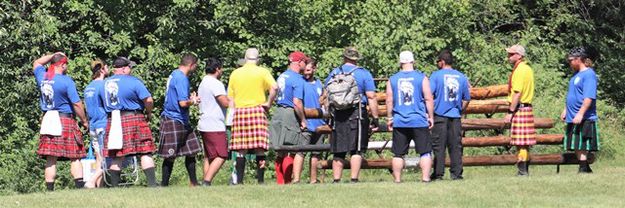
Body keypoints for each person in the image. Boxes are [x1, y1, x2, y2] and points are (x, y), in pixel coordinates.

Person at [34, 52, 89, 191]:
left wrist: (53, 55)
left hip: (48, 119)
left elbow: (37, 63)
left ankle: (50, 190)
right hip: (64, 119)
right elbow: (77, 104)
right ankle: (79, 187)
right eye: (66, 65)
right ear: (63, 65)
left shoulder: (43, 77)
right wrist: (84, 121)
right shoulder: (66, 81)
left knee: (51, 157)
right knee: (75, 156)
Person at [324, 47, 380, 183]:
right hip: (357, 113)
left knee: (338, 150)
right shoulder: (363, 73)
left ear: (344, 58)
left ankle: (336, 179)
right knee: (356, 149)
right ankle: (354, 179)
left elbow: (325, 95)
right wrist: (375, 118)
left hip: (338, 114)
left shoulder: (334, 72)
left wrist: (328, 115)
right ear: (356, 59)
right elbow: (371, 96)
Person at [100, 57, 158, 187]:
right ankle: (152, 185)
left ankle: (114, 186)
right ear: (124, 68)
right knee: (145, 151)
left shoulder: (104, 83)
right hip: (133, 117)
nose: (131, 69)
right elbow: (148, 100)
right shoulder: (134, 81)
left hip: (113, 119)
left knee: (117, 155)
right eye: (130, 67)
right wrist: (149, 112)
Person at [227, 48, 278, 184]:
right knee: (260, 148)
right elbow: (275, 87)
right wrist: (269, 103)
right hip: (257, 110)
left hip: (240, 112)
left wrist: (231, 117)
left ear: (245, 58)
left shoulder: (235, 73)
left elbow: (230, 98)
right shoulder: (263, 72)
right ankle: (260, 181)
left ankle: (240, 181)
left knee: (241, 148)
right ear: (257, 58)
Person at [386, 51, 434, 183]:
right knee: (425, 152)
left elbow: (389, 100)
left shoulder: (393, 79)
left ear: (400, 62)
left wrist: (390, 118)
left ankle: (397, 179)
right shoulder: (422, 78)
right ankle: (425, 178)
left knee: (398, 153)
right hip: (419, 120)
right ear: (413, 61)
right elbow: (428, 98)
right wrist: (431, 117)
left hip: (400, 120)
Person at [158, 54, 203, 186]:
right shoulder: (182, 78)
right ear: (192, 65)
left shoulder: (174, 74)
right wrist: (193, 101)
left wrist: (188, 98)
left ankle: (194, 183)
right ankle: (164, 185)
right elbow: (183, 103)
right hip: (174, 118)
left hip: (180, 119)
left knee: (191, 151)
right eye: (196, 66)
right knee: (170, 154)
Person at [429, 50, 471, 180]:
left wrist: (429, 113)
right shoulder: (461, 77)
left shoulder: (436, 76)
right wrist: (460, 110)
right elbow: (467, 98)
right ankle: (457, 173)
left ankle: (438, 174)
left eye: (438, 62)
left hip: (440, 115)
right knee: (456, 146)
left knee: (439, 146)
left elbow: (429, 96)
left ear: (442, 62)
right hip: (455, 116)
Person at [269, 51, 309, 184]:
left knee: (280, 149)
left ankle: (280, 182)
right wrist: (303, 119)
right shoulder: (297, 79)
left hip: (278, 112)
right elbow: (297, 102)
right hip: (289, 113)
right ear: (299, 62)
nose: (306, 64)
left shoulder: (282, 76)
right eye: (305, 61)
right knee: (291, 148)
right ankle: (286, 182)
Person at [562, 47, 600, 173]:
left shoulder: (589, 74)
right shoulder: (575, 75)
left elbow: (588, 97)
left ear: (579, 59)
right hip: (572, 115)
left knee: (581, 143)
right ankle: (585, 168)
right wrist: (565, 110)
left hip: (583, 116)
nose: (569, 63)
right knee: (576, 143)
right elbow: (572, 95)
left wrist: (580, 114)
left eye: (571, 60)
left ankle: (583, 168)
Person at [503, 44, 536, 176]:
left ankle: (522, 170)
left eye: (511, 54)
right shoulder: (528, 69)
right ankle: (524, 169)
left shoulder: (520, 70)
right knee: (524, 143)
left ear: (519, 56)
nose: (509, 57)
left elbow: (517, 93)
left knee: (520, 143)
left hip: (520, 108)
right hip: (526, 108)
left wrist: (510, 112)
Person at [197, 58, 229, 186]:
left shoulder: (203, 82)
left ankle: (206, 181)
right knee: (222, 155)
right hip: (214, 124)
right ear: (217, 69)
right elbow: (224, 103)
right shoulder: (216, 83)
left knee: (209, 156)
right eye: (221, 69)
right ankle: (206, 181)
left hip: (204, 122)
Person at [83, 59, 109, 188]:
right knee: (108, 158)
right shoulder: (104, 85)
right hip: (103, 124)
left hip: (93, 125)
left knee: (99, 158)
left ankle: (100, 187)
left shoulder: (88, 87)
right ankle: (91, 181)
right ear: (103, 70)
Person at [302, 59, 327, 184]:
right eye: (305, 70)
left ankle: (313, 179)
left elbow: (324, 100)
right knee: (300, 152)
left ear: (314, 69)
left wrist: (324, 98)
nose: (306, 73)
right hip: (306, 123)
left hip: (319, 124)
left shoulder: (319, 84)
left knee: (316, 153)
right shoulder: (301, 82)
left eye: (308, 70)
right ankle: (296, 179)